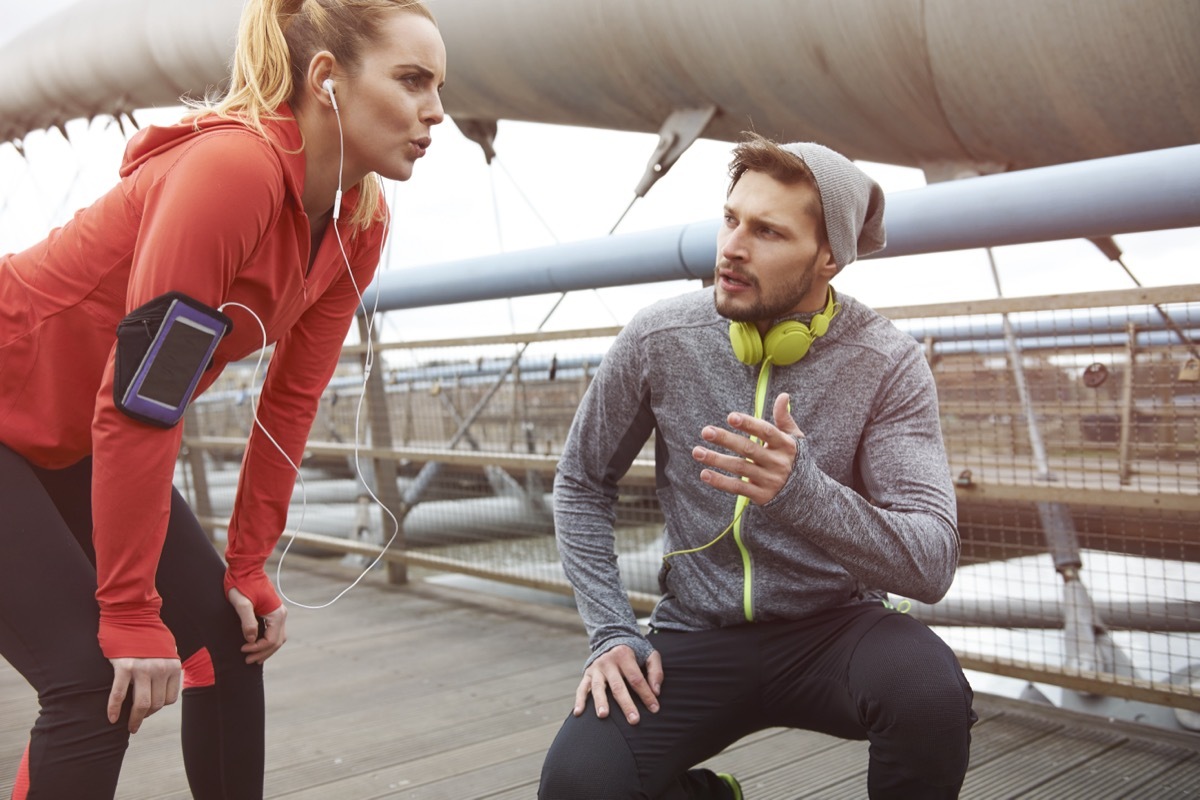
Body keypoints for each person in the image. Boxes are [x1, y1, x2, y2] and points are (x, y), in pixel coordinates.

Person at [0, 0, 445, 797]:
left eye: (439, 85)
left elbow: (291, 399)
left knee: (226, 636)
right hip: (21, 401)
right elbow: (143, 401)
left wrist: (249, 561)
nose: (436, 110)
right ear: (326, 80)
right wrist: (131, 608)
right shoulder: (231, 172)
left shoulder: (360, 219)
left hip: (74, 434)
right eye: (412, 80)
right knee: (89, 680)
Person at [539, 133, 976, 799]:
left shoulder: (887, 362)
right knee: (578, 786)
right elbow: (581, 483)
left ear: (829, 257)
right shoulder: (659, 339)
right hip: (694, 632)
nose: (732, 249)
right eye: (731, 219)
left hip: (835, 630)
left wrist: (799, 491)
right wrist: (610, 633)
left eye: (767, 231)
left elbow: (931, 562)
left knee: (930, 695)